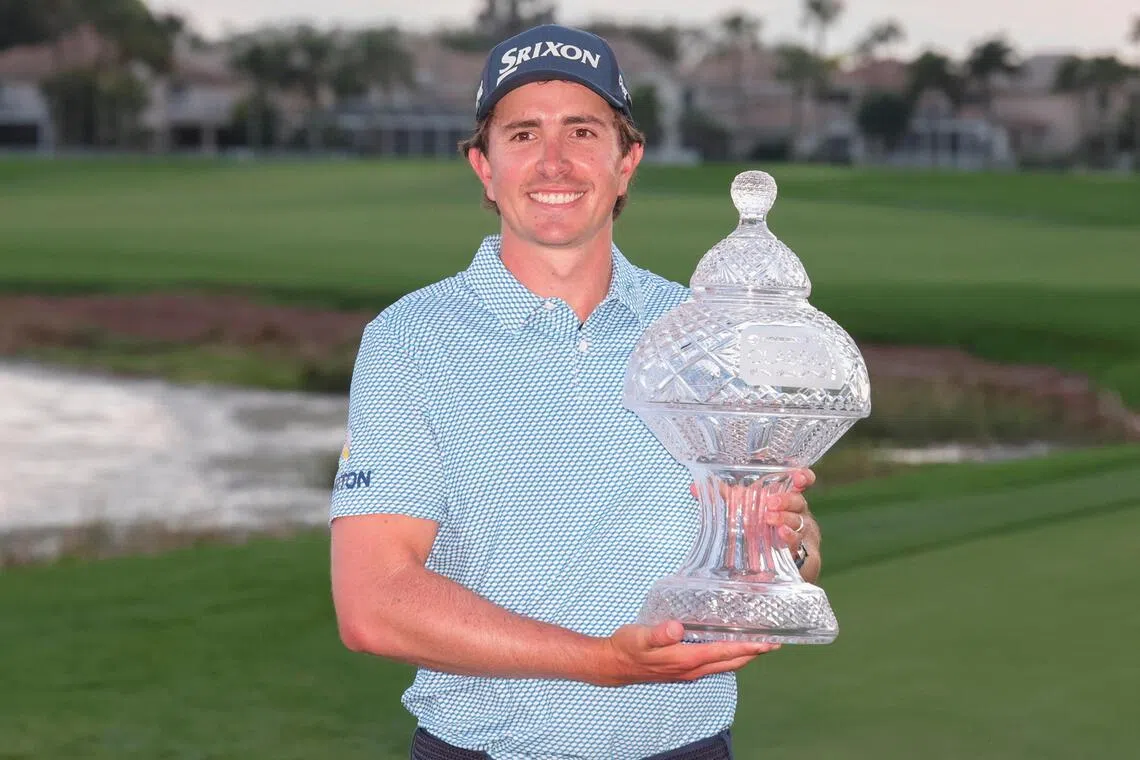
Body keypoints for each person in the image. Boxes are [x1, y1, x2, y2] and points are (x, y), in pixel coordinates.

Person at [330, 24, 823, 760]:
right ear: (483, 166)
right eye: (522, 133)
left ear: (627, 162)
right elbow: (372, 605)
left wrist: (790, 537)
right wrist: (601, 663)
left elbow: (791, 555)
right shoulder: (410, 340)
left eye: (583, 131)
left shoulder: (707, 334)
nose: (553, 161)